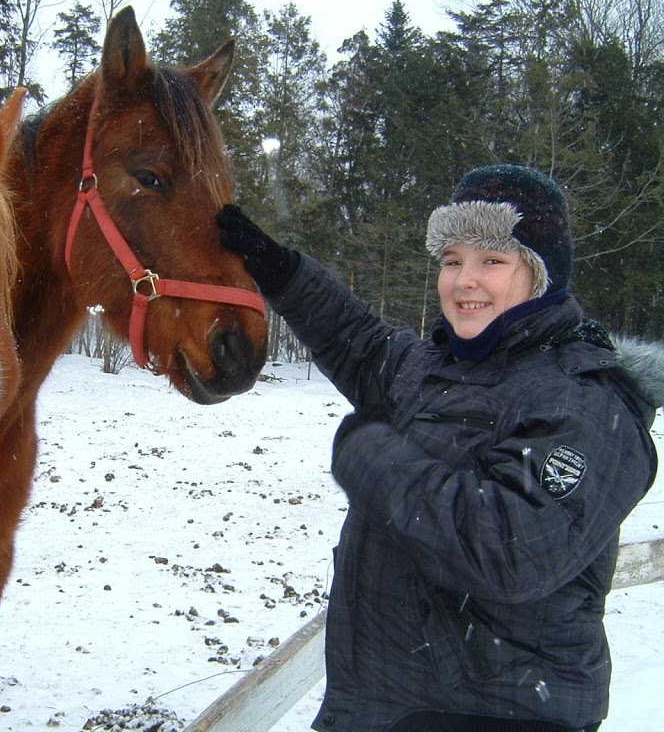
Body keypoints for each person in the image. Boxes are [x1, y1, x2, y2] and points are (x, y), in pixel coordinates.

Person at [217, 164, 663, 732]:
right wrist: (283, 273)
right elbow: (359, 341)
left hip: (496, 714)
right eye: (452, 260)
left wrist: (370, 456)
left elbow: (509, 547)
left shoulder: (587, 402)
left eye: (492, 261)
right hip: (385, 704)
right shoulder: (439, 365)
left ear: (540, 274)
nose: (464, 281)